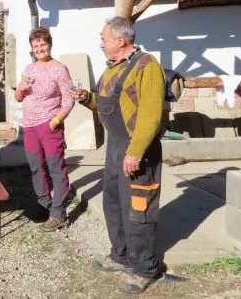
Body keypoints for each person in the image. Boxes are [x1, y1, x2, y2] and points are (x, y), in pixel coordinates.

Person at [70, 17, 168, 295]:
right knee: (113, 202)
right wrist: (87, 98)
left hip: (138, 150)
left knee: (139, 209)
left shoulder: (146, 66)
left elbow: (150, 115)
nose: (101, 44)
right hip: (115, 147)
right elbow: (106, 104)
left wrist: (135, 152)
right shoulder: (113, 69)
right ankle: (121, 255)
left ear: (121, 40)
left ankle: (145, 268)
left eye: (104, 39)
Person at [15, 27, 74, 232]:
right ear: (32, 48)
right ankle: (44, 205)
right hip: (29, 126)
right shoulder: (29, 69)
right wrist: (20, 88)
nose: (40, 48)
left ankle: (58, 213)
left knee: (55, 168)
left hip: (49, 125)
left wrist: (55, 121)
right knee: (36, 167)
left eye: (43, 44)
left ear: (49, 44)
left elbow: (68, 101)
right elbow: (19, 98)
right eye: (36, 46)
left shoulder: (60, 69)